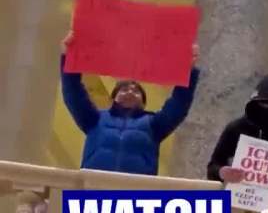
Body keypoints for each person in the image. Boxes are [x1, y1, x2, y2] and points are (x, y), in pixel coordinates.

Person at [59, 31, 200, 176]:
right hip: (93, 191)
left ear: (144, 103)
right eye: (124, 89)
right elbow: (73, 92)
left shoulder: (155, 125)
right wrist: (69, 57)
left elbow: (179, 103)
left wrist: (188, 70)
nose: (130, 92)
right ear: (113, 98)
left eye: (136, 91)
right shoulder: (94, 120)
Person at [206, 74, 268, 189]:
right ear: (254, 103)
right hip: (237, 197)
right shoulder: (235, 129)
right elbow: (213, 166)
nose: (267, 110)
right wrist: (221, 172)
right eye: (263, 104)